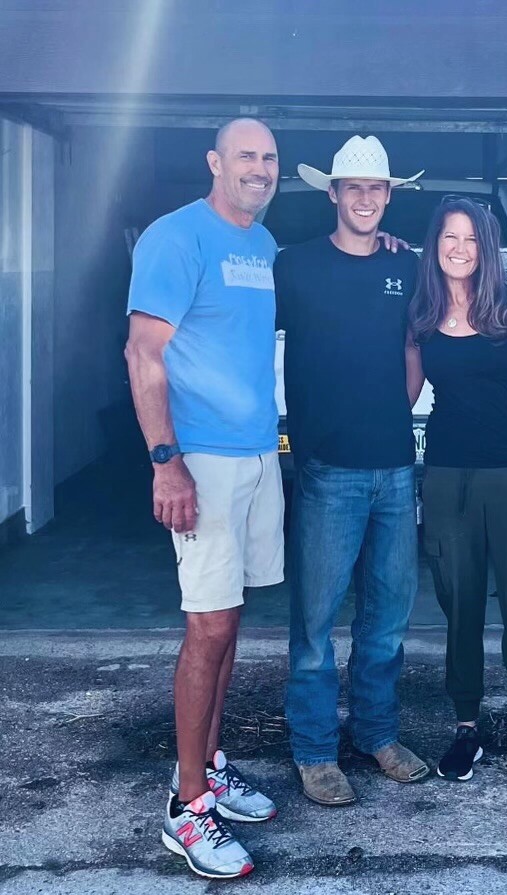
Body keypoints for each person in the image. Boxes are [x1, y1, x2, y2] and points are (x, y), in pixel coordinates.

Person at [125, 119, 283, 880]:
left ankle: (211, 766)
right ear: (216, 162)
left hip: (257, 452)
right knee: (207, 626)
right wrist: (167, 462)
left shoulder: (262, 244)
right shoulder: (175, 237)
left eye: (270, 158)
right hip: (203, 460)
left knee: (229, 619)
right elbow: (142, 352)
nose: (260, 168)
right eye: (247, 156)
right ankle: (186, 807)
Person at [275, 135, 430, 807]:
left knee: (387, 620)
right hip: (326, 472)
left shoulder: (409, 266)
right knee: (314, 624)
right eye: (353, 188)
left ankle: (376, 734)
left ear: (389, 196)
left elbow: (417, 345)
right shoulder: (294, 266)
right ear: (332, 194)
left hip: (396, 469)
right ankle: (313, 751)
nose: (365, 199)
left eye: (377, 189)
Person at [406, 197, 507, 794]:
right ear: (435, 245)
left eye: (472, 238)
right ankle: (467, 727)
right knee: (461, 608)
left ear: (487, 248)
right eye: (449, 237)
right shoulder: (421, 314)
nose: (459, 247)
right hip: (448, 478)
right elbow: (405, 394)